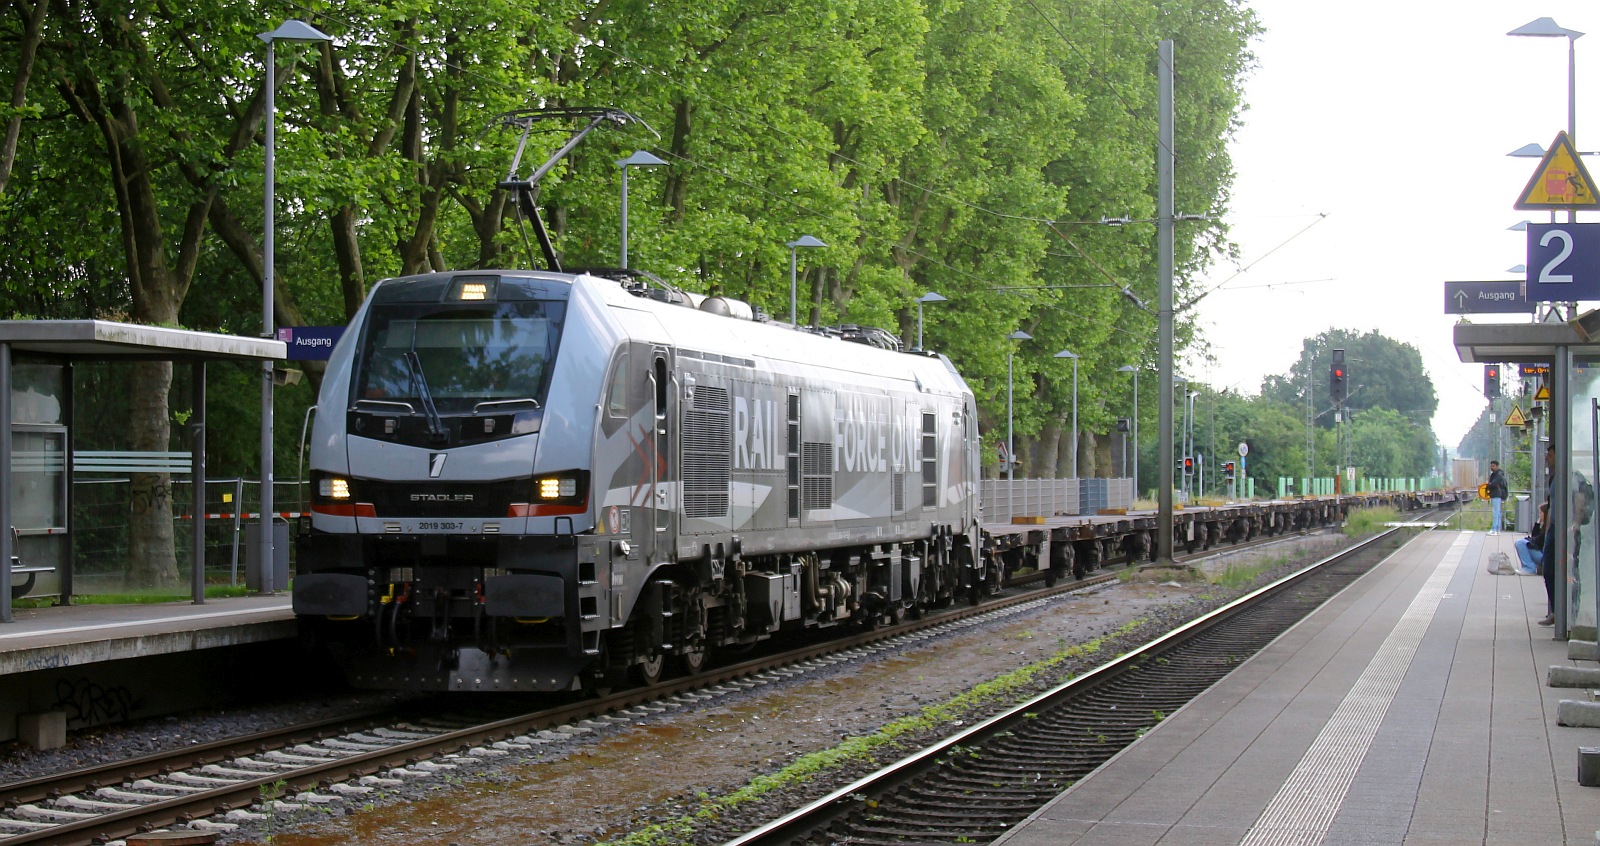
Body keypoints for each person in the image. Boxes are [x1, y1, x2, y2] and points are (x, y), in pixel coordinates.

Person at [1515, 502, 1547, 576]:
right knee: (1523, 542)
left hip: (1544, 557)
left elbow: (1537, 540)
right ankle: (1530, 567)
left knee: (1520, 543)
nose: (1539, 515)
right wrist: (1538, 523)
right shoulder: (1545, 526)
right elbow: (1534, 536)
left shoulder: (1548, 530)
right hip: (1543, 555)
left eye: (1540, 513)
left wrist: (1529, 540)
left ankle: (1529, 568)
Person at [1486, 460, 1508, 535]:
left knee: (1496, 512)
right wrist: (1490, 484)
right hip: (1495, 494)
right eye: (1491, 466)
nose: (1492, 467)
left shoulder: (1498, 475)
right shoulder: (1495, 474)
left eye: (1493, 466)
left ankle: (1494, 529)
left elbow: (1493, 484)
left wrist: (1489, 485)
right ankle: (1497, 529)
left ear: (1497, 466)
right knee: (1497, 512)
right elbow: (1492, 484)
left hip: (1496, 494)